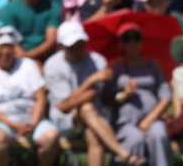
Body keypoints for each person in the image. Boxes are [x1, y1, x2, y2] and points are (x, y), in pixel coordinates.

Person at [43, 21, 141, 166]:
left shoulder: (97, 60)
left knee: (94, 137)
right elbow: (64, 106)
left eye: (81, 43)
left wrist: (124, 93)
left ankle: (124, 155)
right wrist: (91, 80)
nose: (78, 48)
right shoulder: (52, 65)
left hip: (96, 121)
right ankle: (123, 153)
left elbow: (100, 94)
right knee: (87, 107)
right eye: (73, 46)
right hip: (66, 121)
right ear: (62, 47)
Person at [0, 26, 61, 166]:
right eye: (0, 51)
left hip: (32, 120)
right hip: (4, 123)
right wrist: (14, 126)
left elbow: (40, 98)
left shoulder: (28, 65)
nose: (5, 54)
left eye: (9, 50)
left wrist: (33, 123)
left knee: (51, 136)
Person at [103, 22, 172, 166]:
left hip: (153, 118)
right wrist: (123, 94)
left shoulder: (153, 65)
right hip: (125, 122)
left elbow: (165, 95)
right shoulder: (115, 67)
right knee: (135, 138)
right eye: (127, 39)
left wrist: (150, 118)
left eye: (136, 38)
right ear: (121, 44)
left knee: (158, 134)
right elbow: (106, 98)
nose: (132, 42)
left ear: (142, 42)